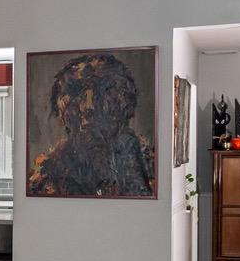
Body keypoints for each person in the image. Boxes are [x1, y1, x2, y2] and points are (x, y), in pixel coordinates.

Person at [27, 52, 157, 197]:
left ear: (123, 105)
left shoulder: (149, 165)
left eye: (101, 93)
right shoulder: (47, 173)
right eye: (77, 94)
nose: (88, 106)